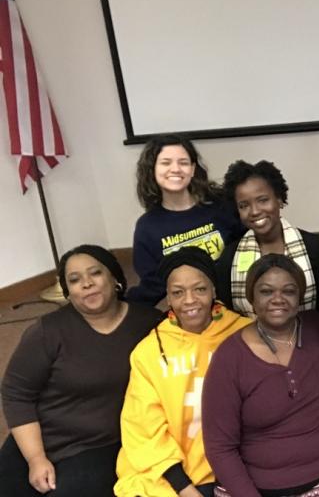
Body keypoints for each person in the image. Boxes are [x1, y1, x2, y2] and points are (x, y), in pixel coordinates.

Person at [0, 245, 161, 496]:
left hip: (101, 446)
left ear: (115, 279)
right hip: (41, 435)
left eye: (95, 273)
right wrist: (35, 458)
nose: (86, 283)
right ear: (67, 291)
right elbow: (17, 392)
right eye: (74, 280)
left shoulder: (150, 324)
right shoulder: (47, 331)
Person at [202, 254, 319, 497]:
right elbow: (219, 447)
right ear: (251, 298)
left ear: (300, 296)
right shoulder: (229, 357)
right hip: (254, 487)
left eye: (289, 291)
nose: (278, 299)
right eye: (266, 291)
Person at [114, 247, 251, 497]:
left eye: (199, 289)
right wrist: (185, 489)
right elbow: (144, 429)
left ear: (214, 290)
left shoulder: (245, 333)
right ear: (167, 297)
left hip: (239, 463)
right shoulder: (149, 352)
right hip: (176, 475)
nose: (189, 300)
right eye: (178, 292)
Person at [127, 134, 242, 306]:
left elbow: (248, 250)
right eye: (166, 163)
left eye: (183, 162)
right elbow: (153, 286)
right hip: (188, 314)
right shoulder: (147, 227)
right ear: (152, 169)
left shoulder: (221, 206)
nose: (175, 169)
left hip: (235, 304)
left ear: (193, 169)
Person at [216, 160, 319, 314]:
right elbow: (229, 316)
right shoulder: (230, 257)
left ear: (279, 199)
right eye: (244, 205)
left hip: (307, 336)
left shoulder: (313, 247)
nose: (255, 211)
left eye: (263, 200)